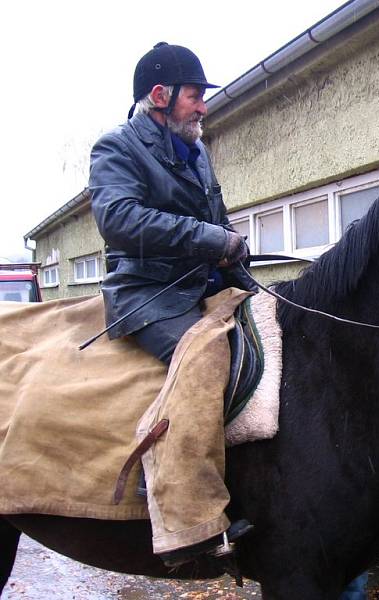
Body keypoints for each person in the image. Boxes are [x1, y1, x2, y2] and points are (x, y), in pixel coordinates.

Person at [89, 42, 257, 566]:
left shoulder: (196, 150)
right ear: (159, 97)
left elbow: (218, 220)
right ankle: (187, 515)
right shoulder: (116, 147)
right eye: (194, 97)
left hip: (204, 285)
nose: (203, 107)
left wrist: (243, 270)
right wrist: (211, 241)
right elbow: (118, 219)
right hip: (147, 293)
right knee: (204, 357)